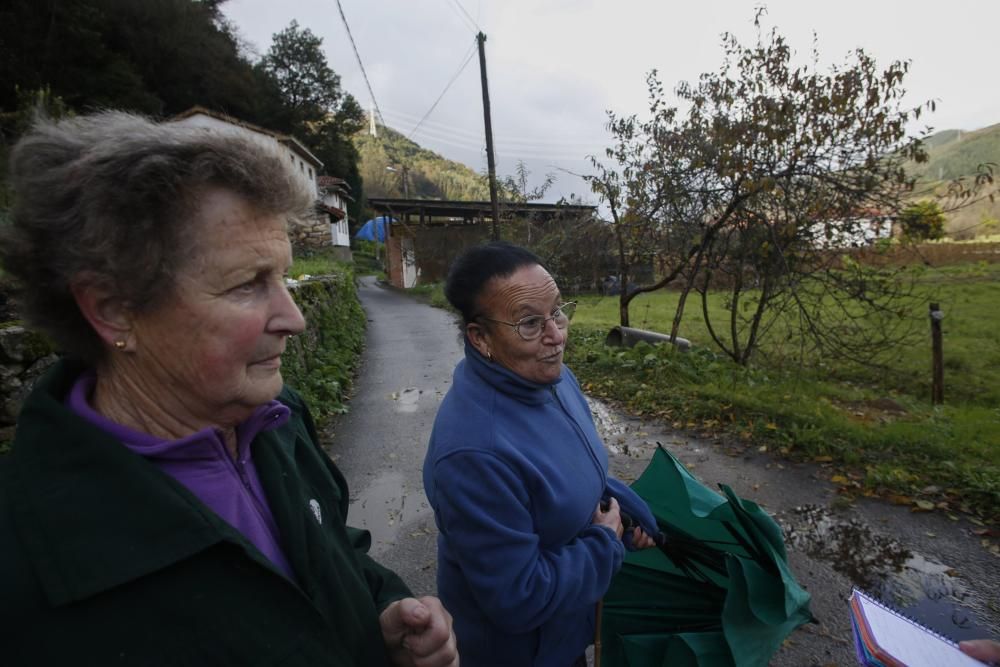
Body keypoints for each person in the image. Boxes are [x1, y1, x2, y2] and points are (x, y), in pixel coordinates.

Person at [0, 111, 458, 666]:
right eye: (247, 285)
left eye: (285, 278)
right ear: (113, 310)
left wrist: (381, 615)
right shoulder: (24, 567)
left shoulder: (277, 421)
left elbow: (338, 552)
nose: (295, 318)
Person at [423, 241, 658, 667]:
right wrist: (604, 543)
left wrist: (630, 514)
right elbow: (520, 596)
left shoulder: (553, 379)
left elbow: (573, 471)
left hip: (563, 635)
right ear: (481, 339)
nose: (557, 335)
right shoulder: (474, 455)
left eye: (557, 312)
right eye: (530, 323)